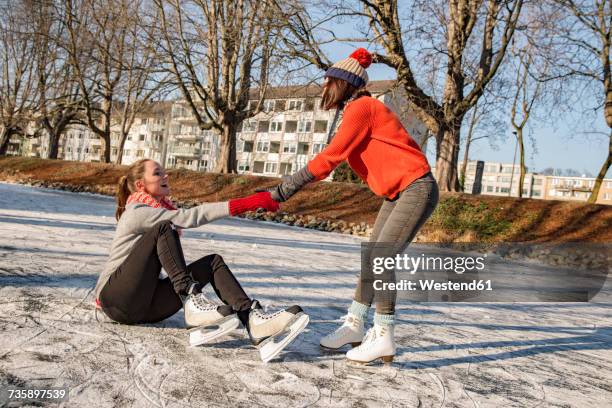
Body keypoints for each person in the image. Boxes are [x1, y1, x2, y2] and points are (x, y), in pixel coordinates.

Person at [268, 48, 439, 364]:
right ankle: (354, 325)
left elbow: (328, 160)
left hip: (416, 188)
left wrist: (283, 189)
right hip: (397, 192)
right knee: (370, 258)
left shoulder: (362, 107)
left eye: (328, 81)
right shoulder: (356, 109)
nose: (324, 88)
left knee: (381, 258)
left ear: (342, 82)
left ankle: (384, 335)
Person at [95, 159, 309, 362]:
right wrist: (249, 203)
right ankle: (191, 303)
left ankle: (252, 320)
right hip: (115, 299)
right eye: (157, 173)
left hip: (146, 306)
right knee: (164, 227)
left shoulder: (157, 211)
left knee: (212, 262)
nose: (165, 175)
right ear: (141, 185)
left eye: (163, 171)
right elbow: (189, 217)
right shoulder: (137, 211)